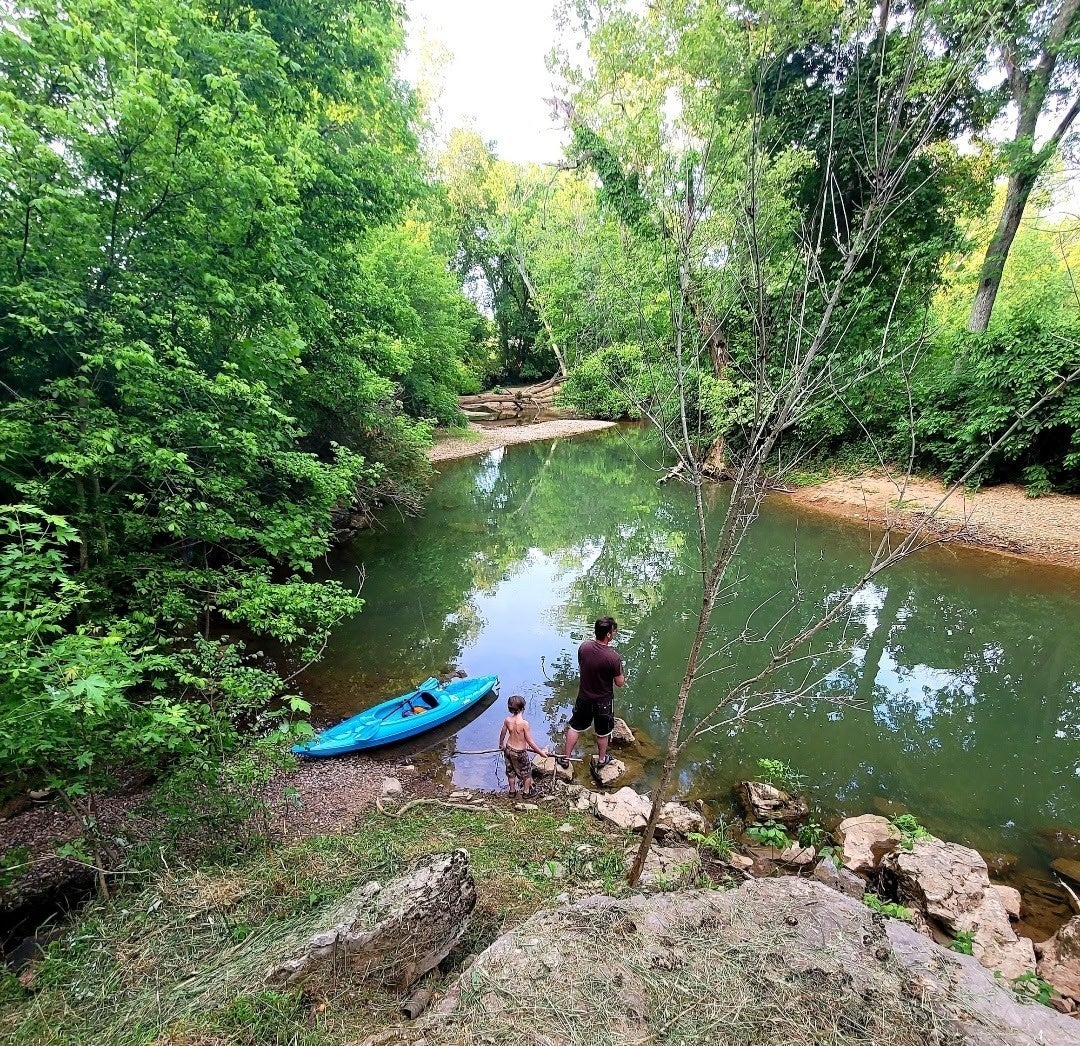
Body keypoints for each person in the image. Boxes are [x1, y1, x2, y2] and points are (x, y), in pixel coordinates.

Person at [558, 616, 625, 772]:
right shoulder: (614, 658)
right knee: (603, 733)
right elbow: (620, 682)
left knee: (575, 727)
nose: (614, 633)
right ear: (608, 634)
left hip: (584, 698)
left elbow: (583, 666)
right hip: (603, 702)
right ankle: (601, 760)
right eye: (614, 631)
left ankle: (566, 759)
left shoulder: (584, 647)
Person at [499, 695, 549, 798]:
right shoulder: (524, 723)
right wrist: (541, 753)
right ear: (523, 708)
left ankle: (512, 791)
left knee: (510, 771)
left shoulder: (508, 720)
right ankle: (526, 792)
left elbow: (502, 733)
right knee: (527, 773)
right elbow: (530, 741)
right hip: (520, 753)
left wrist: (501, 744)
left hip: (508, 749)